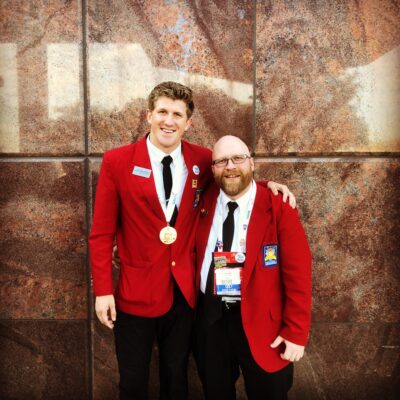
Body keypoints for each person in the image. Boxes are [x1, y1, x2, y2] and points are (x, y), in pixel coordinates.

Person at [89, 81, 296, 400]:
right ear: (149, 115)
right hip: (134, 292)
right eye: (162, 112)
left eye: (177, 114)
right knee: (132, 381)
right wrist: (103, 290)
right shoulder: (117, 162)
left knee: (176, 379)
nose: (168, 121)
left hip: (184, 295)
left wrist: (267, 185)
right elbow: (101, 234)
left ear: (188, 122)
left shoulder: (202, 158)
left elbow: (233, 179)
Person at [193, 136, 312, 400]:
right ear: (212, 169)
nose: (231, 166)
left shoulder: (277, 205)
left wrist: (296, 332)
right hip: (211, 322)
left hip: (263, 323)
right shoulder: (204, 200)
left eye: (238, 158)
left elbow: (298, 274)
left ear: (252, 163)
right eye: (222, 161)